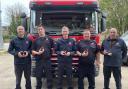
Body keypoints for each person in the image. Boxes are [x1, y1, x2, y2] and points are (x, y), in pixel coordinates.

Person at [32, 25, 54, 89]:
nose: (40, 30)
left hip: (47, 60)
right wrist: (37, 53)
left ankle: (49, 87)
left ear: (44, 30)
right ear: (38, 31)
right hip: (39, 60)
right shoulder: (35, 40)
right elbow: (32, 51)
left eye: (41, 29)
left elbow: (53, 48)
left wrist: (52, 51)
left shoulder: (49, 39)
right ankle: (38, 87)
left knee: (49, 75)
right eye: (39, 29)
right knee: (38, 75)